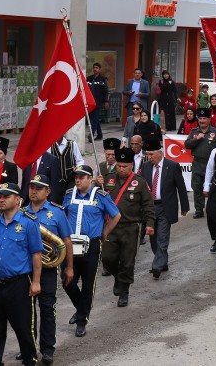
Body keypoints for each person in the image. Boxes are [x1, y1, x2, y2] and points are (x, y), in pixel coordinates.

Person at [0, 183, 43, 366]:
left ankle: (29, 360)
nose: (1, 199)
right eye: (0, 196)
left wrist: (36, 282)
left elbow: (36, 254)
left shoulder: (28, 223)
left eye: (6, 196)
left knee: (23, 327)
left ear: (17, 200)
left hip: (18, 284)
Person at [20, 175, 74, 365]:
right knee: (26, 311)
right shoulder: (21, 212)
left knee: (47, 309)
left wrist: (69, 267)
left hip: (48, 270)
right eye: (32, 187)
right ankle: (27, 347)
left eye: (39, 188)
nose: (34, 191)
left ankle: (47, 348)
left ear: (48, 192)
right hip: (25, 270)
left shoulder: (57, 212)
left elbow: (66, 241)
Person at [61, 166, 121, 337]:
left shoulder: (101, 196)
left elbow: (116, 215)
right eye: (76, 177)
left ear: (90, 178)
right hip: (70, 244)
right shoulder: (68, 194)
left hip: (91, 245)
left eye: (81, 177)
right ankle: (82, 309)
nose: (77, 180)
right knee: (67, 280)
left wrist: (104, 232)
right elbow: (62, 215)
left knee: (88, 284)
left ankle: (82, 321)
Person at [101, 148, 154, 307]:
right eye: (119, 166)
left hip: (130, 227)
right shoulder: (107, 180)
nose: (121, 169)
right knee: (107, 258)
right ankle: (118, 278)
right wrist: (96, 185)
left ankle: (124, 291)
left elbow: (148, 206)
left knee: (127, 262)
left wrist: (150, 224)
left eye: (125, 166)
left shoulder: (140, 182)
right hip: (110, 227)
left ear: (132, 165)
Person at [141, 138, 189, 279]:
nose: (149, 157)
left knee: (162, 237)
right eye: (147, 154)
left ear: (159, 153)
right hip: (150, 208)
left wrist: (184, 206)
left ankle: (156, 267)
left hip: (165, 206)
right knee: (153, 239)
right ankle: (163, 261)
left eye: (151, 154)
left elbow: (181, 186)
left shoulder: (172, 166)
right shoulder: (146, 167)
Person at [185, 108, 216, 219]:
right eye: (200, 118)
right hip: (197, 164)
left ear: (209, 120)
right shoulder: (194, 132)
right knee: (197, 188)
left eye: (204, 118)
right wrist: (197, 139)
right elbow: (187, 144)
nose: (202, 120)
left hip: (211, 165)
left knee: (212, 188)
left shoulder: (215, 132)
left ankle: (212, 209)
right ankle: (199, 210)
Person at [86, 62, 110, 141]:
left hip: (98, 101)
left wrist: (106, 101)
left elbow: (106, 91)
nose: (95, 69)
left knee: (95, 117)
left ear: (99, 69)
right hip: (90, 102)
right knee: (93, 118)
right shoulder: (89, 78)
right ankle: (99, 135)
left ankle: (91, 134)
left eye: (97, 68)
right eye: (94, 68)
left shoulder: (103, 79)